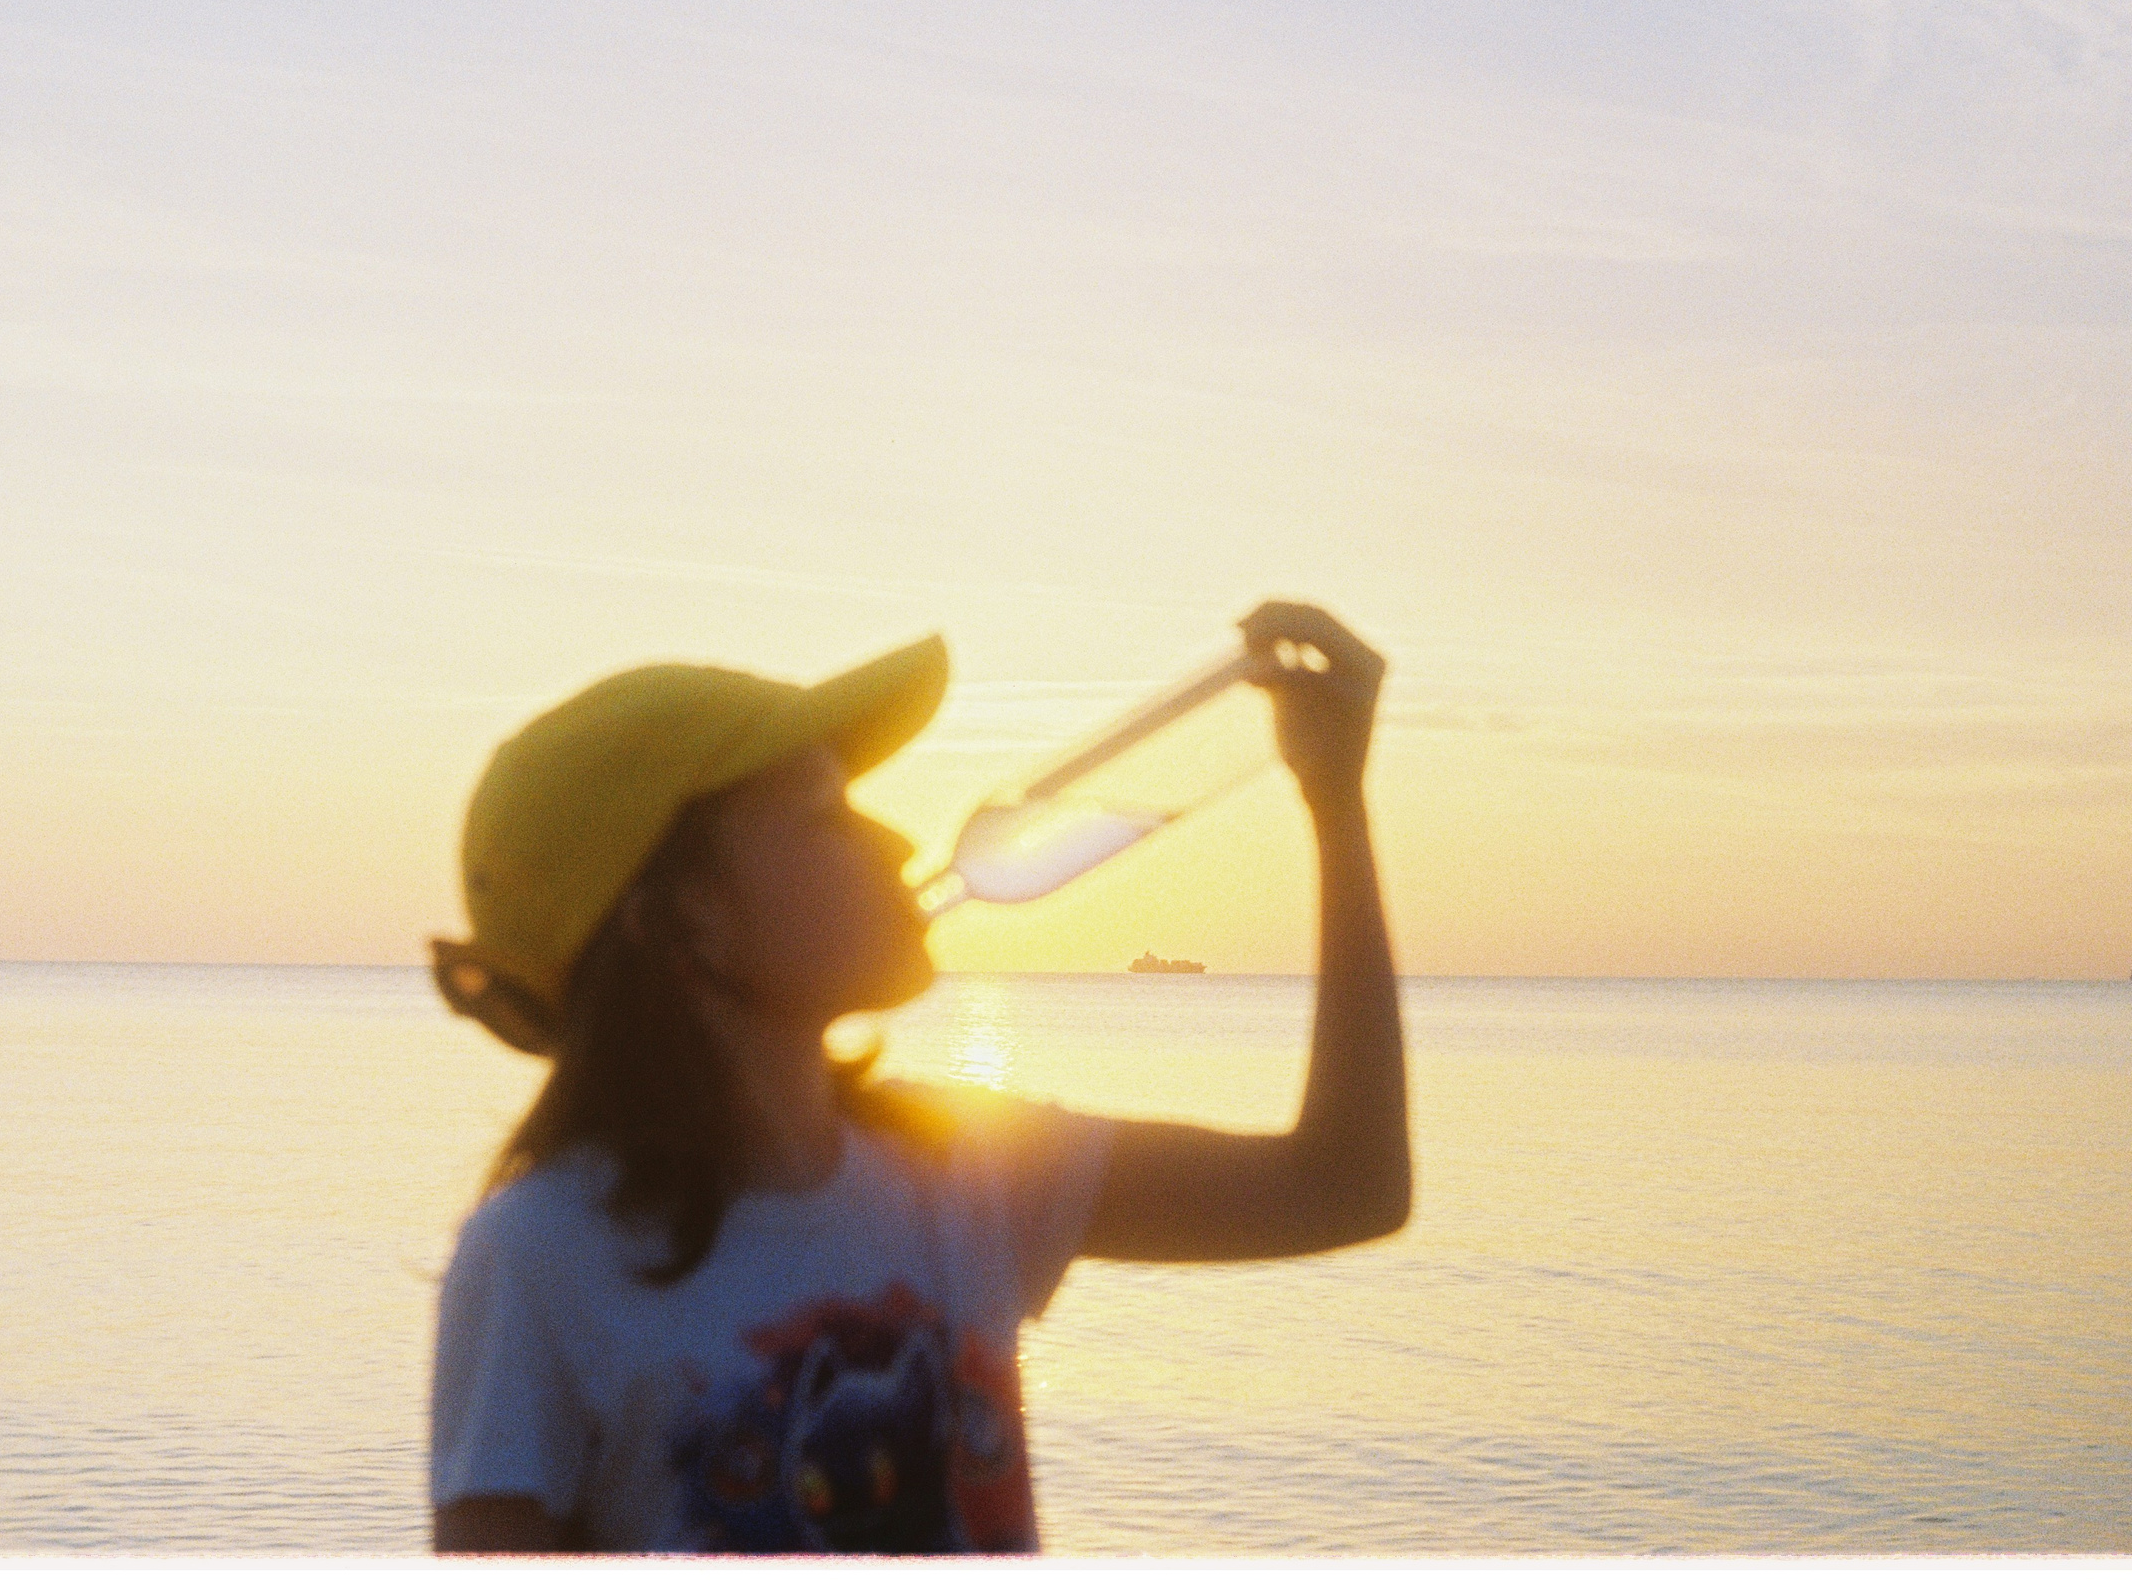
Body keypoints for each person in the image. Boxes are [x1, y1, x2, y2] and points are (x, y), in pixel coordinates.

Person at [425, 601, 1407, 1554]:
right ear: (680, 922)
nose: (892, 841)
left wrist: (1334, 803)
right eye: (823, 813)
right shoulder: (541, 1257)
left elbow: (1346, 1187)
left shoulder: (963, 1167)